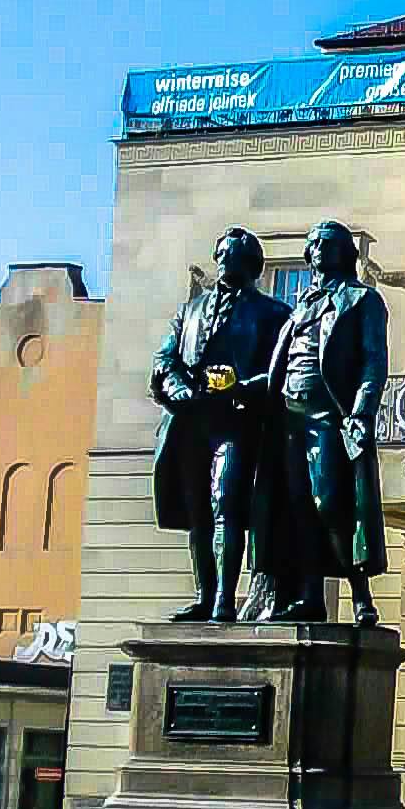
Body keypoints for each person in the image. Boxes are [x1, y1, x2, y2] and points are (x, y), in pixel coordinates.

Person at [239, 221, 390, 627]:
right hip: (287, 416)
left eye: (326, 243)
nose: (317, 249)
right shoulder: (300, 306)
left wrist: (361, 411)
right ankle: (309, 596)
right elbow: (282, 364)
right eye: (312, 244)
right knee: (296, 507)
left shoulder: (362, 300)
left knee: (330, 503)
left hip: (328, 414)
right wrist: (240, 388)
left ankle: (360, 594)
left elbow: (374, 361)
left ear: (344, 253)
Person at [150, 228, 292, 623]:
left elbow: (281, 374)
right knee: (198, 514)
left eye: (234, 255)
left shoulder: (275, 314)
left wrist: (242, 387)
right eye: (222, 254)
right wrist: (178, 388)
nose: (225, 261)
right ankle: (204, 594)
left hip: (238, 423)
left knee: (226, 505)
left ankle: (224, 600)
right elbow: (166, 358)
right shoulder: (190, 309)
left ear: (253, 266)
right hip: (191, 422)